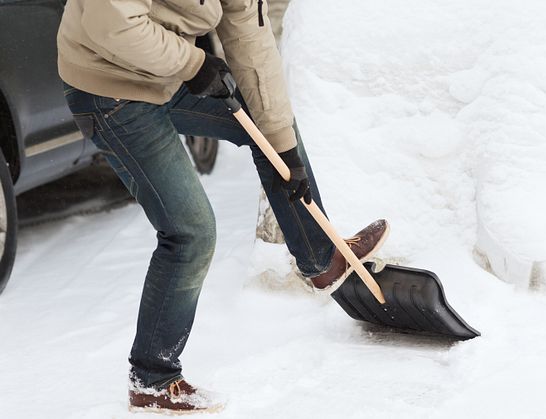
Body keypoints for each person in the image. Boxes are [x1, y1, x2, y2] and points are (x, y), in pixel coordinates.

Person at [57, 0, 389, 414]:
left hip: (163, 72)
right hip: (109, 87)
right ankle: (152, 381)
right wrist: (194, 65)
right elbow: (112, 23)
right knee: (190, 233)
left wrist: (286, 152)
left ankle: (322, 258)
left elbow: (252, 43)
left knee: (269, 130)